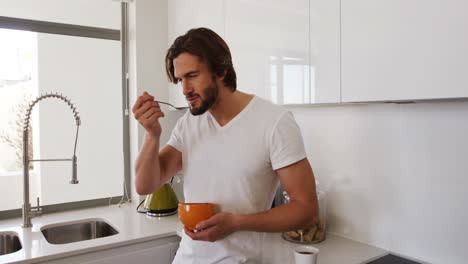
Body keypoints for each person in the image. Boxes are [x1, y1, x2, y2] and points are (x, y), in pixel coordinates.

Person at [132, 27, 319, 263]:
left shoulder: (274, 122)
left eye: (192, 76)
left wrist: (236, 223)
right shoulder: (189, 123)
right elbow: (145, 185)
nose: (185, 90)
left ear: (221, 70)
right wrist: (152, 134)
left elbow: (307, 210)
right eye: (180, 80)